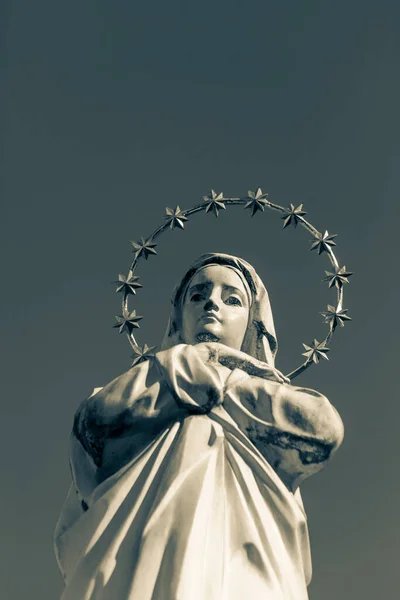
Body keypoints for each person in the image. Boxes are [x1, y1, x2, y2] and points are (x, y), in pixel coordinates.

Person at [54, 253, 344, 600]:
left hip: (246, 554)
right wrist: (184, 364)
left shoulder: (271, 392)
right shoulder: (140, 382)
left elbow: (323, 429)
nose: (211, 304)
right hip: (133, 555)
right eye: (197, 295)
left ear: (253, 323)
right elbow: (95, 425)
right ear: (178, 316)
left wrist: (223, 376)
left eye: (232, 299)